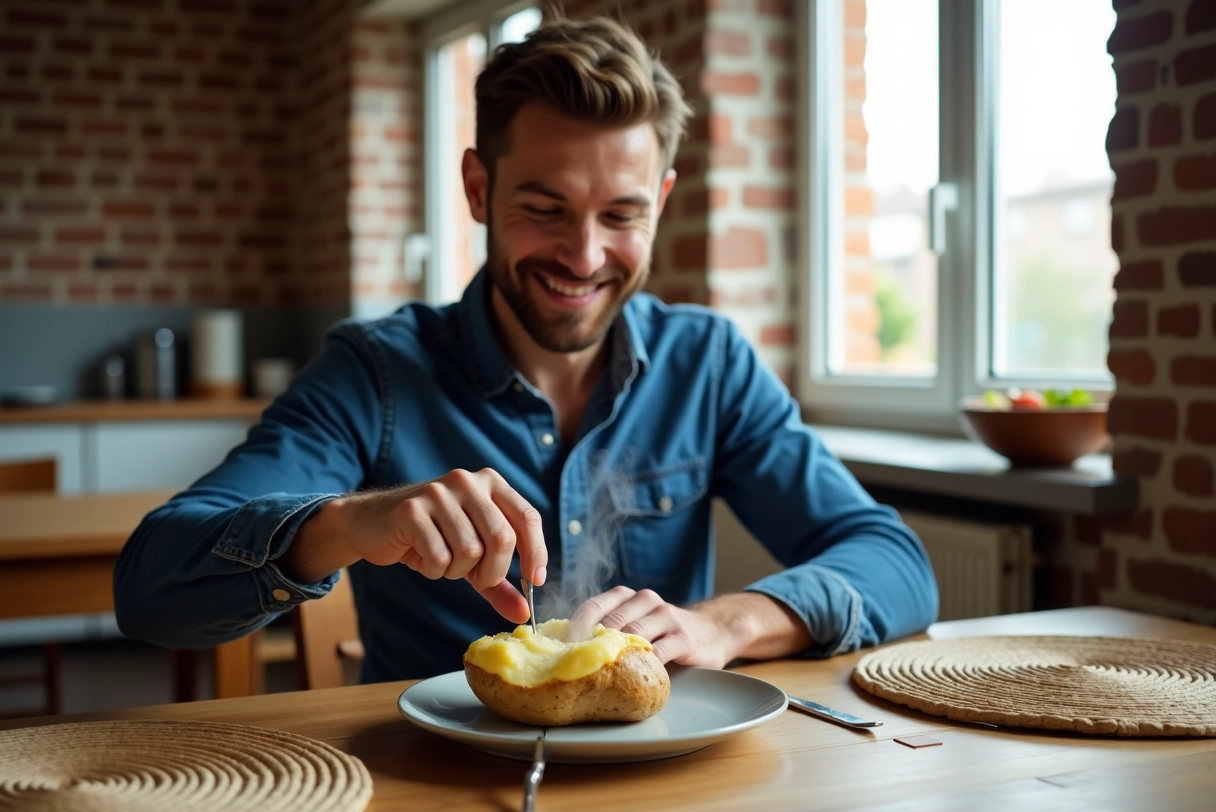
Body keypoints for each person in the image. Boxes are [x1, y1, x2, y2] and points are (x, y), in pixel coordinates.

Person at [114, 15, 937, 683]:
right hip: (433, 790)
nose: (584, 257)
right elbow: (151, 589)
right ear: (479, 189)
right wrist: (349, 523)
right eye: (545, 208)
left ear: (662, 201)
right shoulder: (375, 373)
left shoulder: (709, 364)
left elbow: (896, 565)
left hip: (664, 787)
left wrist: (726, 622)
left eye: (621, 215)